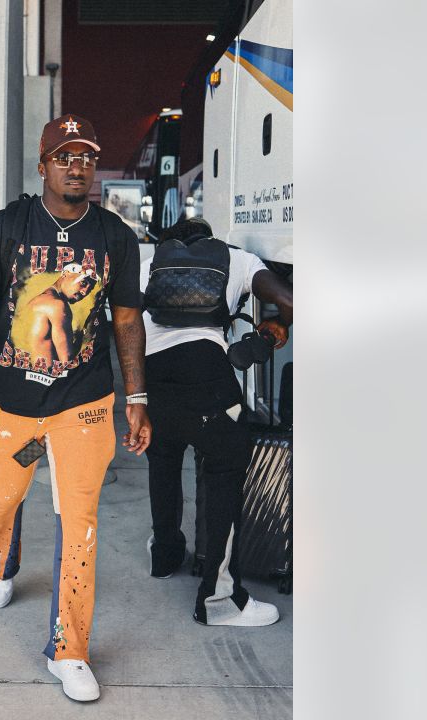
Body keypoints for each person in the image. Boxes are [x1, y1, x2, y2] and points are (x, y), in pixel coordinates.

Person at [0, 113, 151, 702]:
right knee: (4, 498)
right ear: (42, 165)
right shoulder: (5, 226)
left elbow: (126, 321)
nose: (77, 166)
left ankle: (69, 649)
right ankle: (1, 558)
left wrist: (136, 398)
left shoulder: (115, 237)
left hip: (84, 402)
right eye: (64, 156)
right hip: (11, 403)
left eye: (87, 157)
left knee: (80, 520)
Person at [140, 217, 293, 626]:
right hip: (208, 379)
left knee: (164, 461)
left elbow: (121, 324)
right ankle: (219, 600)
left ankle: (165, 555)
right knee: (224, 469)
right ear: (209, 241)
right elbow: (290, 301)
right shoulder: (237, 260)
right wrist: (274, 327)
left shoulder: (148, 261)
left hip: (154, 379)